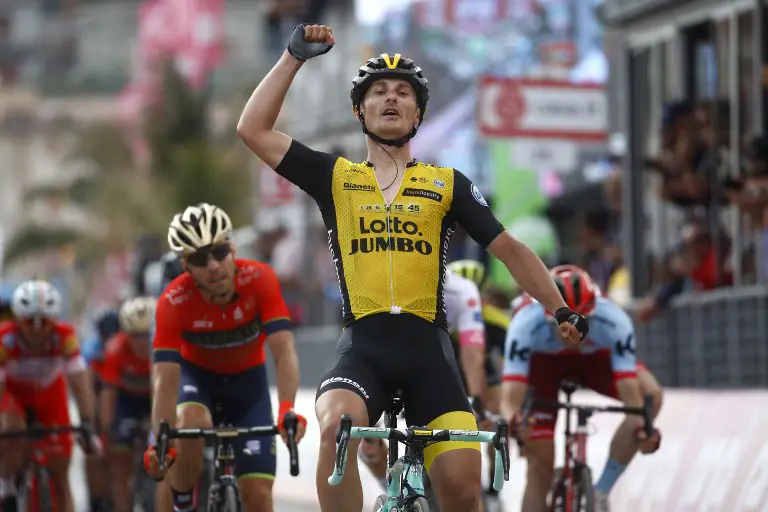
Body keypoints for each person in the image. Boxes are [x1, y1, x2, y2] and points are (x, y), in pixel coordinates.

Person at [236, 23, 589, 512]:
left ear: (418, 112)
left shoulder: (447, 184)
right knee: (337, 427)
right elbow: (252, 130)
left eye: (403, 92)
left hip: (428, 352)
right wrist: (292, 57)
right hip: (364, 348)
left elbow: (508, 248)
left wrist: (559, 309)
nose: (391, 98)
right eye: (378, 91)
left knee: (465, 488)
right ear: (359, 110)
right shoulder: (335, 177)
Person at [143, 203, 307, 512]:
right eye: (199, 259)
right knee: (191, 420)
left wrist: (287, 408)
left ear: (232, 249)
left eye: (219, 253)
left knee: (258, 496)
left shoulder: (259, 279)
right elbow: (165, 378)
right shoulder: (173, 301)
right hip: (197, 382)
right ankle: (182, 504)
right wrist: (161, 440)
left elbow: (284, 350)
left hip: (248, 387)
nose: (214, 266)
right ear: (185, 266)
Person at [499, 266, 663, 512]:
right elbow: (510, 396)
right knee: (539, 464)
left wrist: (642, 428)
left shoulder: (614, 320)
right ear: (548, 315)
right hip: (543, 366)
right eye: (562, 326)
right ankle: (543, 478)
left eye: (583, 323)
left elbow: (630, 389)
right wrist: (513, 420)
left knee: (651, 395)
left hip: (594, 359)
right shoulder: (524, 323)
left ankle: (601, 492)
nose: (572, 336)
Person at [357, 267, 489, 500]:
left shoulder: (461, 291)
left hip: (438, 360)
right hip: (385, 360)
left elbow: (473, 353)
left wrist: (476, 399)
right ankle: (390, 490)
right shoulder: (384, 280)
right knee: (367, 442)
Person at [0, 279, 100, 512]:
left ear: (55, 319)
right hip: (13, 395)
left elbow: (80, 382)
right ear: (17, 319)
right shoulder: (5, 339)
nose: (37, 328)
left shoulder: (64, 336)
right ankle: (7, 488)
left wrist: (87, 421)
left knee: (61, 476)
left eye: (45, 321)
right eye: (29, 321)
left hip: (49, 397)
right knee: (11, 428)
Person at [101, 297, 154, 512]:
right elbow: (108, 393)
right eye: (135, 335)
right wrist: (107, 428)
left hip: (154, 398)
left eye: (146, 335)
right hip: (127, 402)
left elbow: (172, 388)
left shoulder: (165, 344)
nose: (141, 342)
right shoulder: (115, 349)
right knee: (119, 462)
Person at [82, 306, 121, 512]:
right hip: (97, 390)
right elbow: (87, 388)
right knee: (93, 448)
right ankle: (96, 497)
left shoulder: (124, 346)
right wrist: (91, 419)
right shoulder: (91, 350)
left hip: (119, 392)